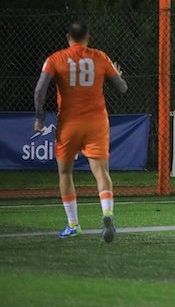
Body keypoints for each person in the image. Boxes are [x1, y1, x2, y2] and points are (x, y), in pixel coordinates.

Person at [33, 21, 128, 241]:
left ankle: (73, 224)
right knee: (101, 172)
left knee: (65, 173)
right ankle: (107, 213)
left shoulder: (55, 59)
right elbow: (122, 88)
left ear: (68, 37)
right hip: (97, 122)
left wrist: (39, 117)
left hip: (69, 123)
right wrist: (118, 74)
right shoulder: (100, 57)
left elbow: (39, 90)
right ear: (88, 37)